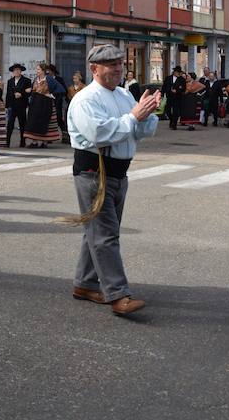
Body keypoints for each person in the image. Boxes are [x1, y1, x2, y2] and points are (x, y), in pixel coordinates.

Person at [68, 44, 161, 315]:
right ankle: (118, 294)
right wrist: (134, 116)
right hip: (93, 173)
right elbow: (100, 133)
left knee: (98, 233)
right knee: (105, 235)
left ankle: (84, 283)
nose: (118, 69)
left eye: (120, 63)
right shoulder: (86, 99)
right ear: (94, 68)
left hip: (119, 172)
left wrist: (147, 113)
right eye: (111, 64)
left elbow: (140, 131)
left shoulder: (123, 94)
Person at [24, 63, 62, 148]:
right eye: (37, 69)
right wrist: (30, 90)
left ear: (43, 71)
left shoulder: (49, 79)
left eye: (38, 69)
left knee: (45, 122)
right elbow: (34, 90)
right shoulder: (36, 79)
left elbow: (60, 89)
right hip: (35, 103)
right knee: (34, 122)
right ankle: (34, 141)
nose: (37, 71)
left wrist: (51, 95)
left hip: (46, 103)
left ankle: (44, 142)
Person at [4, 63, 31, 149]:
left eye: (18, 70)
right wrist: (7, 106)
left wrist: (21, 94)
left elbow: (29, 92)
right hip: (12, 106)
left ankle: (22, 142)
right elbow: (8, 94)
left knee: (22, 124)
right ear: (13, 72)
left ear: (21, 71)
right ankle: (7, 142)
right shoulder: (10, 81)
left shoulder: (26, 80)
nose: (16, 71)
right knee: (10, 125)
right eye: (15, 70)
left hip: (22, 106)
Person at [46, 64, 68, 137]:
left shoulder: (59, 79)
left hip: (57, 101)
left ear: (53, 71)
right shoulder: (46, 79)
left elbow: (64, 90)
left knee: (58, 118)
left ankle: (64, 135)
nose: (48, 72)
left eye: (49, 70)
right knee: (49, 120)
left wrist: (58, 96)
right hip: (48, 101)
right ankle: (49, 137)